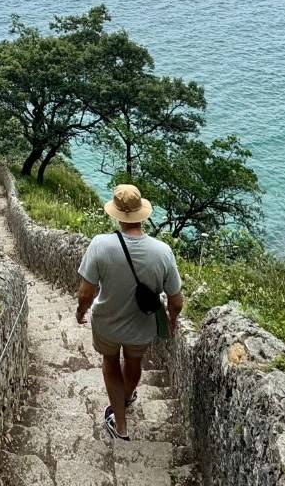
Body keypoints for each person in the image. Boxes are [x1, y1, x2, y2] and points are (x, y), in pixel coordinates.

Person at [76, 183, 183, 441]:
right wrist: (171, 320)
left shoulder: (100, 245)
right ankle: (125, 397)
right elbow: (176, 300)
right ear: (141, 213)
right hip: (141, 325)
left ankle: (120, 424)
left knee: (110, 363)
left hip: (107, 323)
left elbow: (86, 293)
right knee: (134, 362)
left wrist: (81, 312)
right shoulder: (162, 252)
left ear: (116, 214)